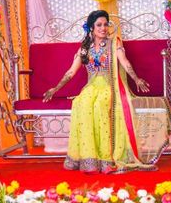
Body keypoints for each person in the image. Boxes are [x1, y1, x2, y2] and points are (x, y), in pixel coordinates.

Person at [43, 10, 157, 173]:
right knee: (81, 103)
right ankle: (89, 160)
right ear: (91, 27)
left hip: (109, 86)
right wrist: (55, 88)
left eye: (106, 24)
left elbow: (125, 63)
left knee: (99, 106)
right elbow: (71, 72)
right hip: (91, 87)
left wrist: (136, 78)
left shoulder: (114, 43)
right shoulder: (84, 48)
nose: (103, 28)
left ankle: (105, 159)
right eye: (99, 25)